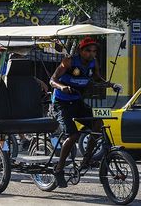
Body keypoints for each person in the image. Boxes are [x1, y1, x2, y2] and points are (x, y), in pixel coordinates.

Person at [50, 36, 122, 188]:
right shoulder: (68, 62)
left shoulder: (93, 63)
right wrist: (62, 87)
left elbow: (97, 79)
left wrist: (111, 85)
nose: (92, 54)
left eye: (94, 51)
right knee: (74, 135)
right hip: (61, 103)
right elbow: (52, 80)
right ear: (80, 50)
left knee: (98, 123)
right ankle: (59, 169)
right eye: (88, 50)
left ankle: (87, 159)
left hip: (77, 102)